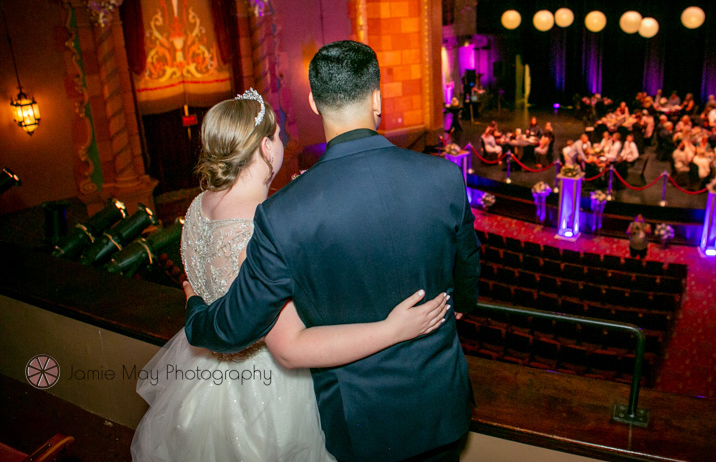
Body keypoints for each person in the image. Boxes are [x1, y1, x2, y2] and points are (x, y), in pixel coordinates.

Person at [183, 41, 481, 462]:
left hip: (358, 420)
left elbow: (236, 327)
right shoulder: (444, 177)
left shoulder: (281, 213)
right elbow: (467, 270)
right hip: (440, 403)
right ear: (377, 98)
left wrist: (196, 311)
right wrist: (458, 304)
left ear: (313, 103)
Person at [132, 90, 449, 462]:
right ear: (266, 148)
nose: (282, 142)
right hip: (266, 397)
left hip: (204, 376)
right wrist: (393, 329)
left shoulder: (200, 205)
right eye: (279, 135)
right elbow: (291, 346)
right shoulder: (261, 227)